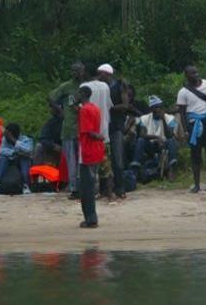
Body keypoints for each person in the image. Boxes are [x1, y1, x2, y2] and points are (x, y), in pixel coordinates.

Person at [176, 65, 206, 193]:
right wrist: (186, 130)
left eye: (196, 72)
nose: (195, 75)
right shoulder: (183, 92)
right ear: (186, 76)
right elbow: (182, 113)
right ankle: (197, 185)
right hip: (194, 125)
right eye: (192, 73)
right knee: (195, 155)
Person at [50, 62, 85, 197]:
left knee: (82, 159)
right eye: (74, 71)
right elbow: (51, 97)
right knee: (71, 160)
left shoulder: (86, 86)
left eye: (79, 70)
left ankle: (83, 186)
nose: (77, 73)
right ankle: (74, 188)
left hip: (83, 128)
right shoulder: (66, 86)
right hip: (69, 128)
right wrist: (60, 110)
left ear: (83, 71)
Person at [98, 64, 129, 199]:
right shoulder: (100, 87)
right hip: (104, 126)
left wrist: (109, 108)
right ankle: (105, 189)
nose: (99, 76)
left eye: (102, 74)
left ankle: (120, 188)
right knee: (104, 159)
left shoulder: (119, 86)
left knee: (117, 158)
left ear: (108, 74)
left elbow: (125, 105)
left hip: (115, 126)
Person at [76, 85, 103, 229]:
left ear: (83, 94)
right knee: (90, 185)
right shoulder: (95, 108)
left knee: (86, 188)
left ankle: (91, 219)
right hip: (95, 151)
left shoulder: (84, 110)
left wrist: (97, 136)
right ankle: (91, 218)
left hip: (87, 151)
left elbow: (88, 131)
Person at [132, 96, 178, 174]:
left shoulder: (169, 118)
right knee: (140, 140)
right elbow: (142, 134)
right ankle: (136, 167)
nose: (159, 109)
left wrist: (163, 120)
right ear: (151, 109)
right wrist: (156, 137)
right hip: (151, 145)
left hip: (164, 144)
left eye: (160, 107)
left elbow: (169, 135)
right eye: (156, 107)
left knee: (171, 140)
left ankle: (171, 169)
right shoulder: (144, 118)